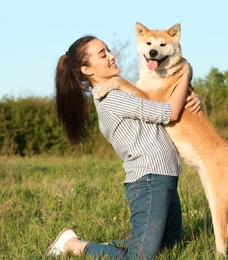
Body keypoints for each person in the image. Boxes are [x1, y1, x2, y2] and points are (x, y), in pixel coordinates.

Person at [45, 35, 201, 259]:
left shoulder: (121, 92)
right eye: (103, 54)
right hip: (149, 180)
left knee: (170, 247)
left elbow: (166, 102)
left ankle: (110, 245)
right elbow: (169, 112)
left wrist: (192, 95)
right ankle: (75, 246)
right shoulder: (112, 98)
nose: (112, 55)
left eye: (108, 50)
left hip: (164, 175)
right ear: (87, 70)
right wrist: (186, 72)